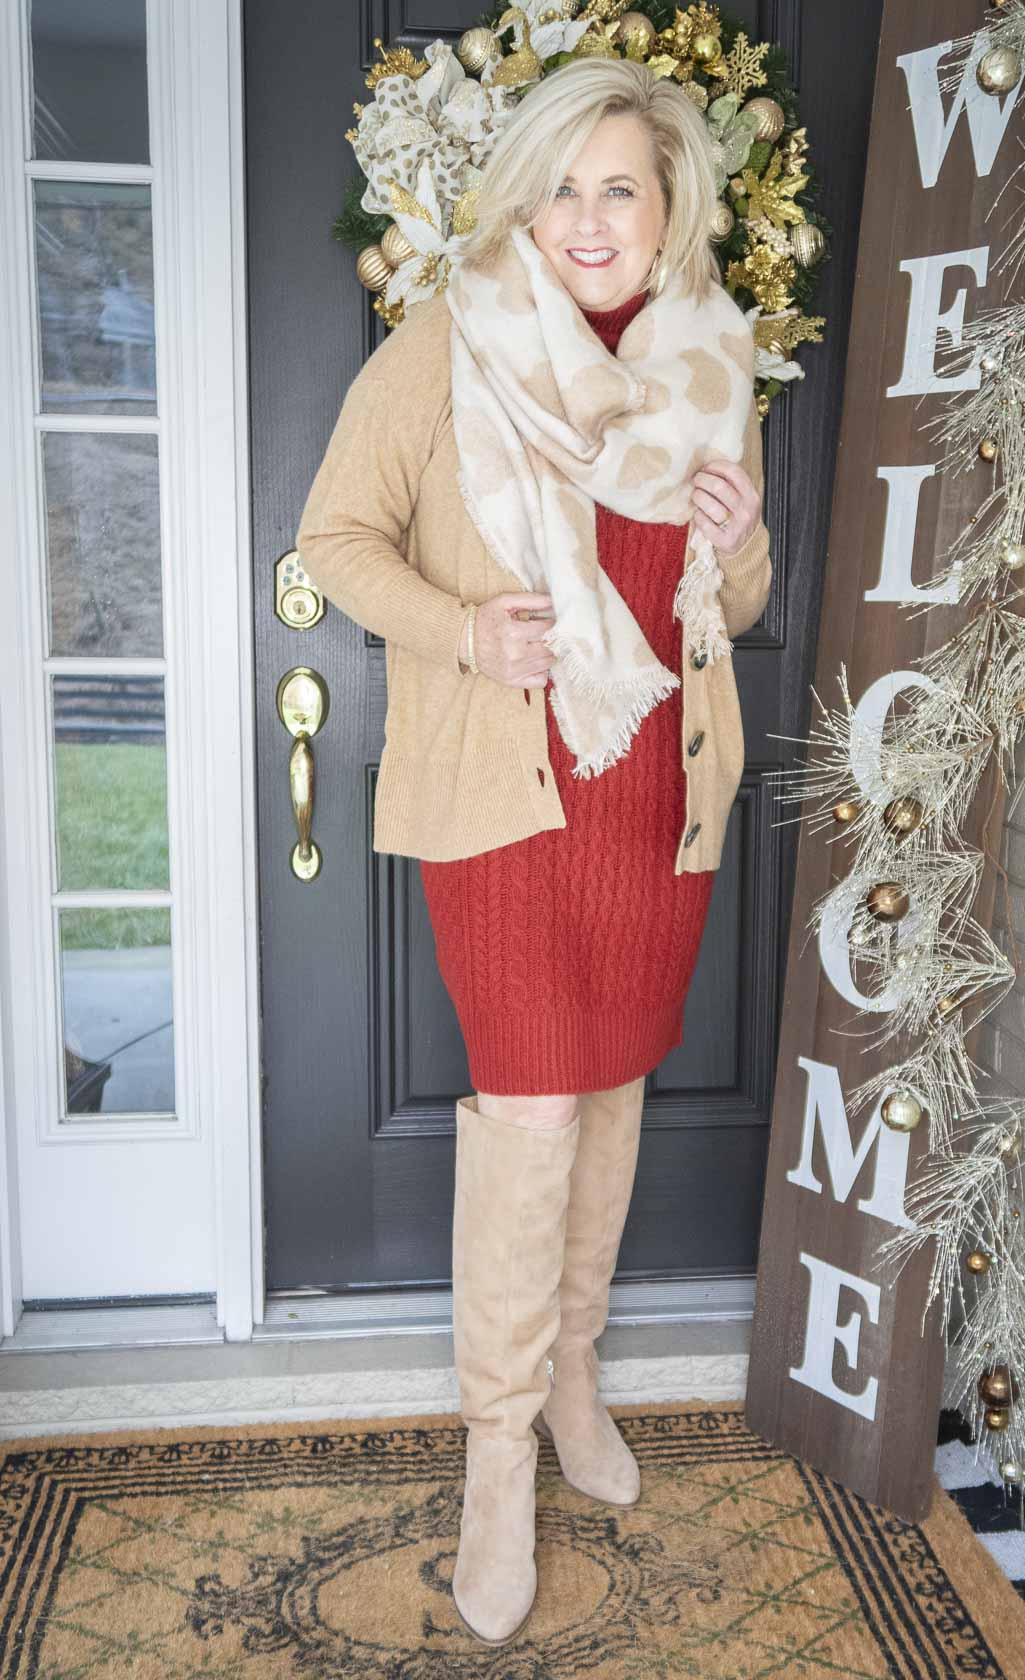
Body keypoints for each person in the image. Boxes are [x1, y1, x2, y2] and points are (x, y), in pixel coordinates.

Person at [296, 55, 771, 1647]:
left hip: (655, 795)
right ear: (522, 197)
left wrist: (736, 544)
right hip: (511, 795)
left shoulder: (714, 366)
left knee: (613, 1078)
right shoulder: (440, 353)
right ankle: (498, 1453)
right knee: (527, 1099)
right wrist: (457, 632)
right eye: (563, 184)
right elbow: (333, 542)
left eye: (619, 187)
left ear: (666, 210)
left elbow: (739, 602)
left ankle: (573, 1374)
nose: (590, 217)